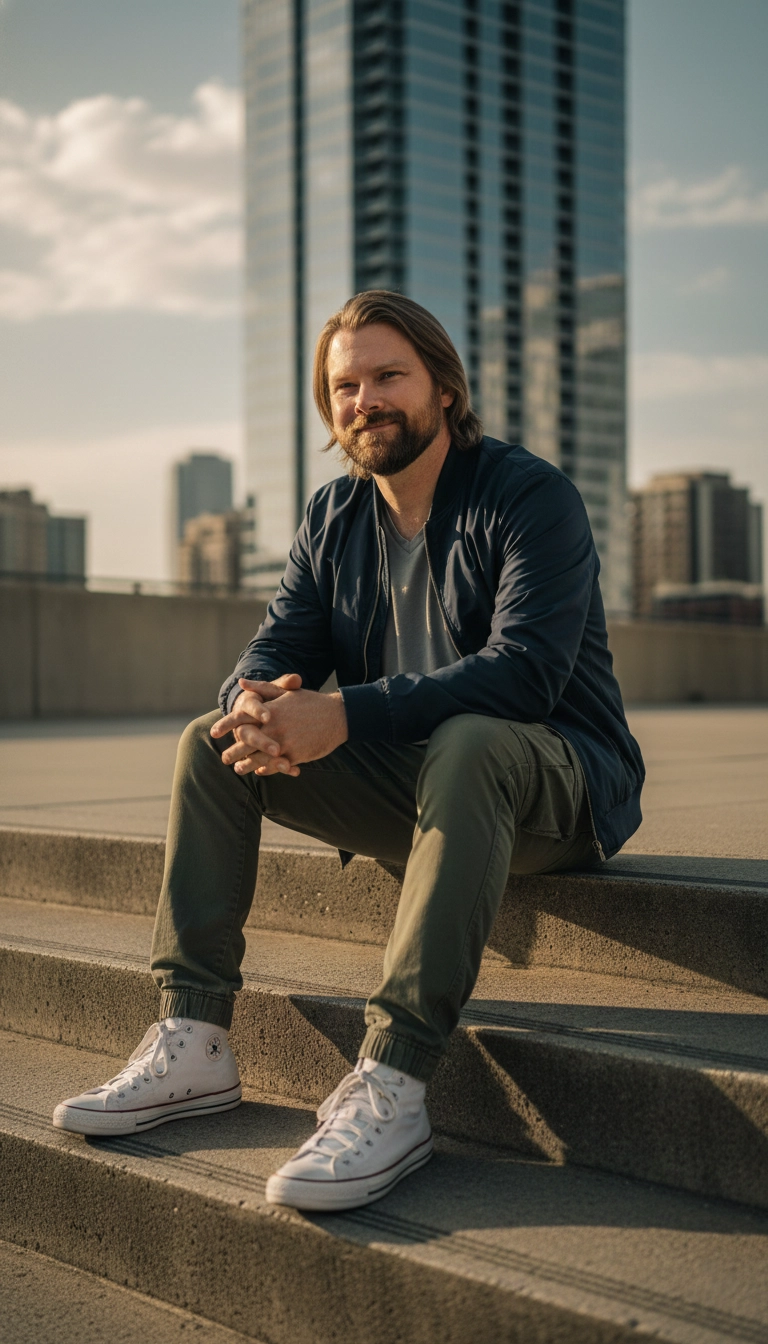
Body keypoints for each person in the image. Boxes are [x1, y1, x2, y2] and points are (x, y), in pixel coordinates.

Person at [53, 291, 644, 1213]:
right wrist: (254, 703)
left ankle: (396, 1081)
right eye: (345, 386)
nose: (364, 399)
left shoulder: (531, 497)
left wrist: (346, 715)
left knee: (473, 740)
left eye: (387, 377)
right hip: (420, 788)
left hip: (553, 784)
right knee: (207, 747)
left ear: (443, 387)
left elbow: (527, 675)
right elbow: (274, 649)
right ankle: (194, 1037)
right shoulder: (335, 516)